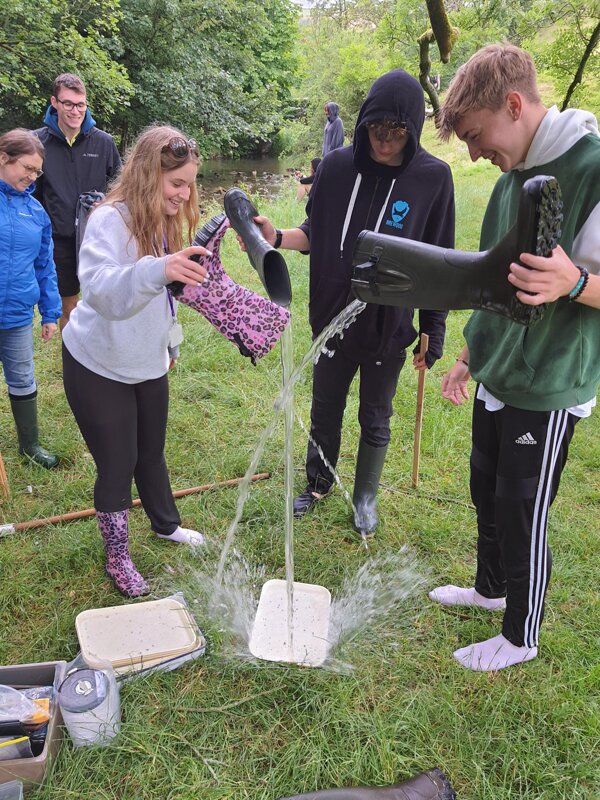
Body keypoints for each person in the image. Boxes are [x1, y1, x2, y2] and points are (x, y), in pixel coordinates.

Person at [430, 44, 600, 671]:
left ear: (513, 104)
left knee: (522, 507)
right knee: (486, 490)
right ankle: (490, 587)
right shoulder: (511, 178)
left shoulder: (593, 166)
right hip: (500, 371)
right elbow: (492, 282)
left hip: (551, 381)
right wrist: (470, 353)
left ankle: (520, 636)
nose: (473, 153)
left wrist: (576, 283)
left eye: (475, 135)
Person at [248, 69, 454, 537]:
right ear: (362, 124)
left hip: (388, 326)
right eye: (376, 129)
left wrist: (432, 329)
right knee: (325, 407)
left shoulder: (433, 178)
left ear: (414, 130)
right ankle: (319, 483)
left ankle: (364, 499)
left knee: (375, 416)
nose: (384, 140)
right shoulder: (337, 167)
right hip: (332, 319)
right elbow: (315, 232)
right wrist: (276, 237)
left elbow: (437, 261)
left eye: (397, 131)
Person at [61, 125, 211, 598]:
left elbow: (161, 296)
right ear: (149, 176)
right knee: (118, 462)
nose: (184, 193)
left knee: (151, 451)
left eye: (189, 183)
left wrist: (169, 344)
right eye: (176, 184)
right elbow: (102, 289)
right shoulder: (109, 220)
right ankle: (118, 556)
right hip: (97, 363)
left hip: (145, 359)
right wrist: (159, 268)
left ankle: (165, 524)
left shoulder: (162, 221)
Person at [34, 73, 121, 330]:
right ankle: (72, 360)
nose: (75, 110)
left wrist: (105, 204)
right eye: (68, 103)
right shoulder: (37, 142)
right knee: (68, 305)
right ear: (54, 102)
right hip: (59, 239)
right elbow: (29, 194)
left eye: (80, 104)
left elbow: (120, 187)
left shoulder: (103, 142)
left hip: (99, 236)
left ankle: (102, 357)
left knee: (104, 301)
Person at [0, 129, 62, 469]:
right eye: (27, 167)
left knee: (22, 378)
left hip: (18, 316)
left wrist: (51, 313)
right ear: (3, 158)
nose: (32, 176)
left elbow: (45, 265)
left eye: (37, 171)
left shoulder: (36, 213)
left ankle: (30, 445)